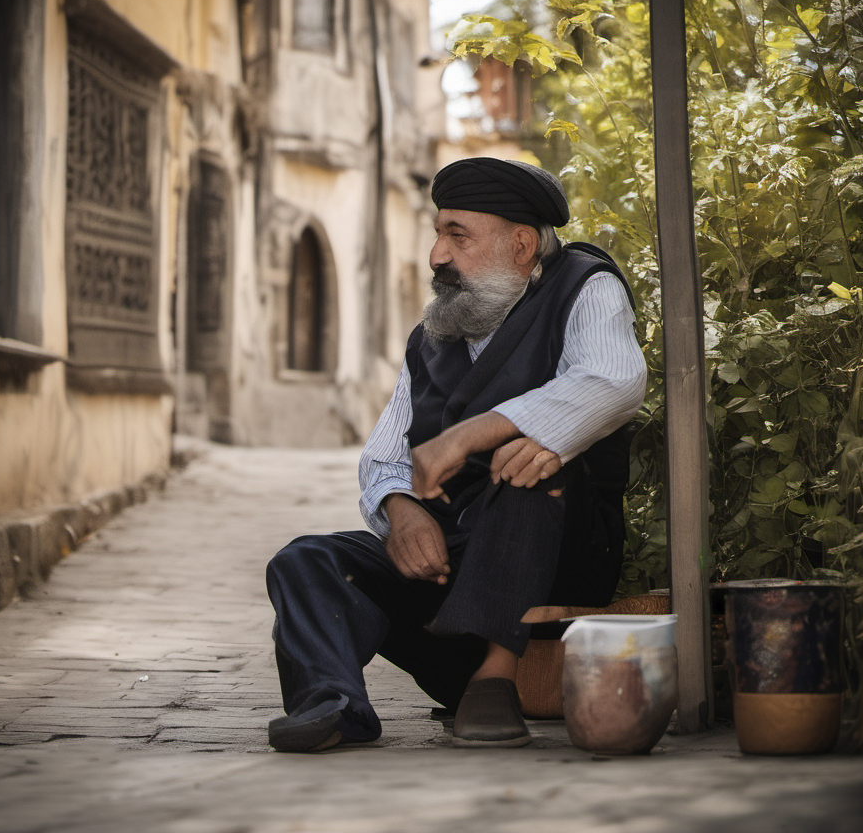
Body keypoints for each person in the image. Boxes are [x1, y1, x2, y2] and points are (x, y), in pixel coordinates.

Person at [266, 157, 647, 752]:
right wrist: (400, 508)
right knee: (307, 560)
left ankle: (496, 680)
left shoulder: (583, 285)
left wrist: (469, 436)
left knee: (529, 467)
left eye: (457, 235)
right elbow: (386, 454)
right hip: (449, 586)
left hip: (550, 581)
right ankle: (332, 703)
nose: (437, 255)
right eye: (437, 233)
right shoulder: (435, 334)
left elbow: (614, 379)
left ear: (522, 244)